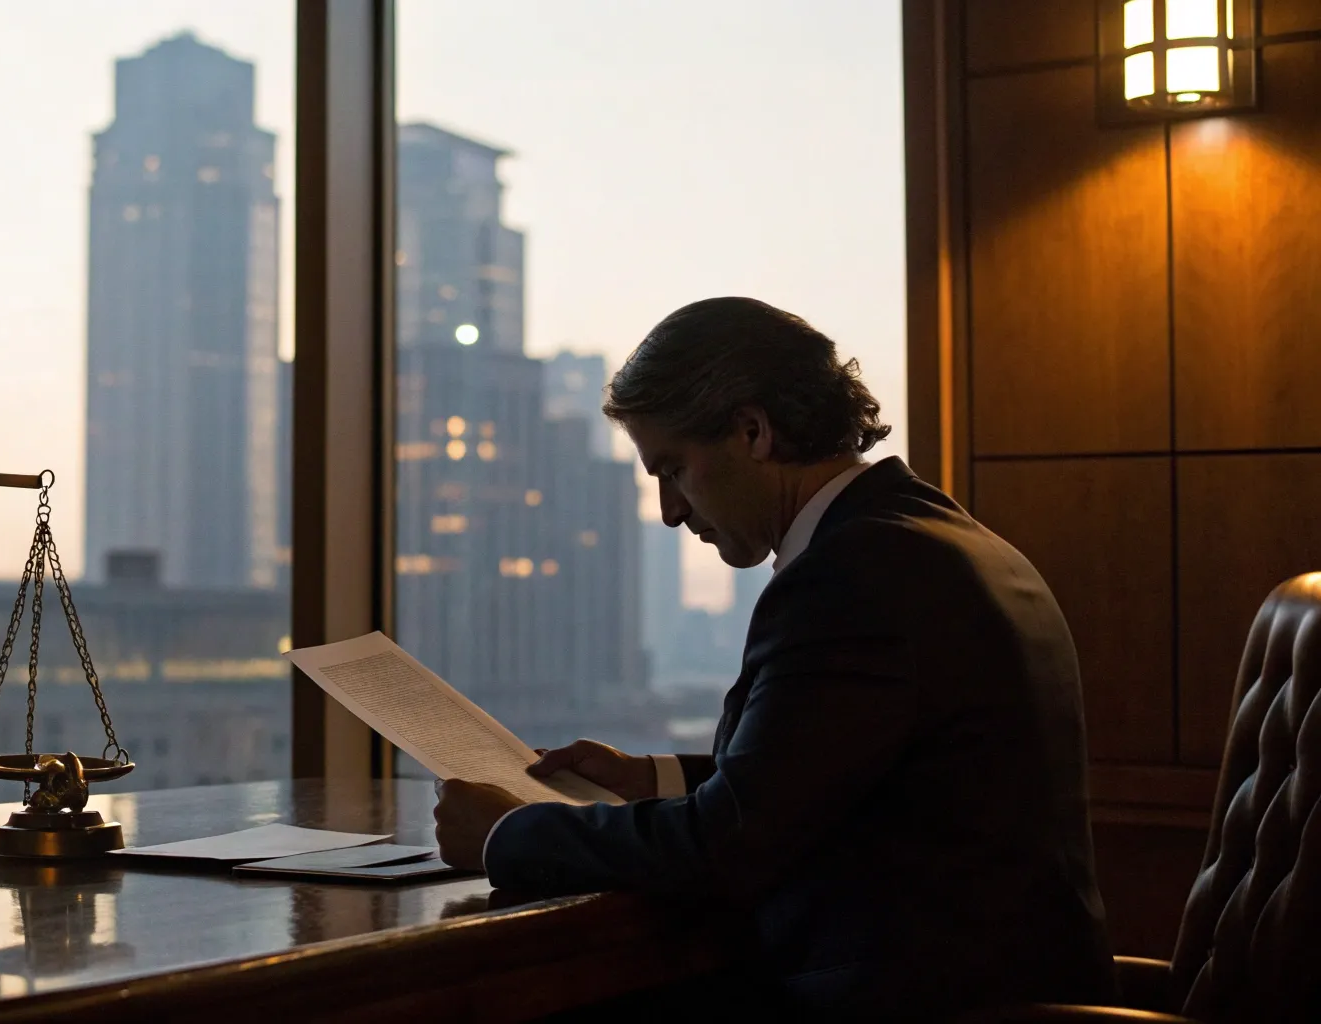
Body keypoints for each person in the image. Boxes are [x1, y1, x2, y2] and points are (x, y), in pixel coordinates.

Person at [433, 297, 1116, 1020]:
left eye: (673, 468)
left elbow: (726, 848)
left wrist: (507, 834)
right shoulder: (931, 534)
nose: (669, 510)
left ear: (752, 431)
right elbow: (842, 774)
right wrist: (650, 779)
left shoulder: (854, 575)